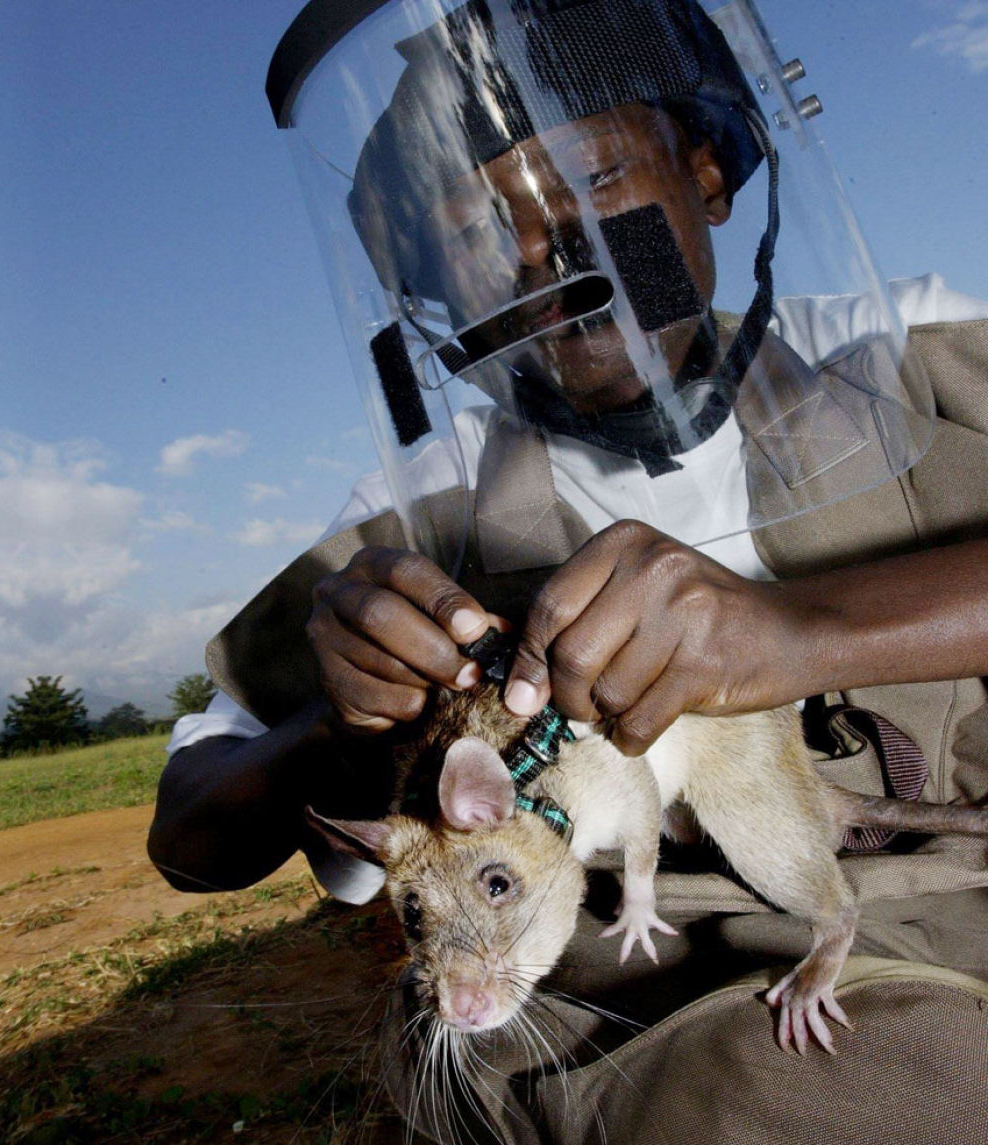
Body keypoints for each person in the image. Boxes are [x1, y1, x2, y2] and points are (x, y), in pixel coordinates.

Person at [150, 1, 988, 1140]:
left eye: (593, 183)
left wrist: (808, 629)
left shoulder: (906, 360)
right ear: (435, 291)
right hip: (613, 1008)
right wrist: (351, 722)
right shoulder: (419, 519)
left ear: (707, 174)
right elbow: (191, 834)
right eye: (476, 233)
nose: (546, 250)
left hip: (935, 918)